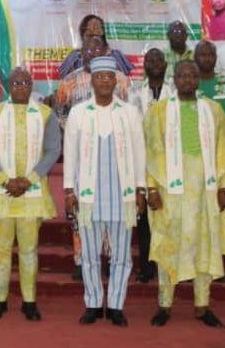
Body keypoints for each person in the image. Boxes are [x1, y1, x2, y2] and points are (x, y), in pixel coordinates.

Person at [144, 60, 225, 328]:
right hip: (170, 191)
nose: (187, 79)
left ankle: (203, 305)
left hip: (204, 189)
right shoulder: (158, 112)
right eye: (182, 75)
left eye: (192, 75)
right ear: (174, 80)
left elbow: (223, 152)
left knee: (204, 245)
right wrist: (151, 188)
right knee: (168, 243)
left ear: (198, 79)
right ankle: (165, 304)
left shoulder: (212, 110)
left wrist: (224, 186)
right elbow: (150, 153)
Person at [65, 56, 146, 327]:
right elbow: (71, 154)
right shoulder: (78, 112)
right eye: (99, 77)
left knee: (122, 256)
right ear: (92, 81)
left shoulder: (128, 111)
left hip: (122, 197)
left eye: (109, 77)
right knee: (89, 255)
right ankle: (92, 303)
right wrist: (68, 190)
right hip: (88, 198)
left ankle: (115, 305)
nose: (104, 81)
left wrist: (141, 188)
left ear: (116, 81)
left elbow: (139, 153)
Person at [0, 67, 60, 321]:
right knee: (1, 250)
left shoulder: (46, 114)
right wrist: (5, 180)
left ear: (32, 85)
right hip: (2, 194)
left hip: (32, 194)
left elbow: (52, 151)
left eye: (26, 82)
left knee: (29, 249)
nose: (21, 87)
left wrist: (29, 180)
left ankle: (29, 301)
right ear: (8, 86)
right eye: (16, 83)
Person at [129, 48, 171, 284]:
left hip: (169, 164)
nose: (155, 63)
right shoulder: (135, 92)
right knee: (144, 220)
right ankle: (146, 266)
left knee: (169, 217)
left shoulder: (175, 91)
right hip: (143, 162)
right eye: (150, 60)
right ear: (144, 65)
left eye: (158, 59)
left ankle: (169, 265)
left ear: (165, 64)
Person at [58, 15, 134, 79]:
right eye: (90, 34)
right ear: (83, 34)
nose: (94, 31)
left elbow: (124, 78)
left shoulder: (116, 55)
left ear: (103, 34)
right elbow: (64, 77)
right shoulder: (75, 56)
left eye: (97, 29)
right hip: (80, 94)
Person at [194, 41, 225, 137]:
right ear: (195, 58)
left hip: (223, 145)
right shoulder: (189, 86)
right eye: (203, 55)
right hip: (195, 144)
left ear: (216, 58)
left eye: (211, 55)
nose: (207, 59)